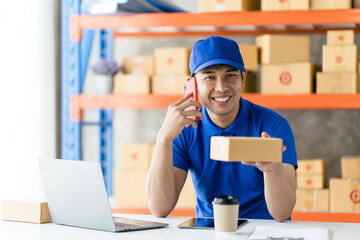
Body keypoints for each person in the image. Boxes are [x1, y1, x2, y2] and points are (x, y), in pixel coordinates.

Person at [145, 36, 297, 222]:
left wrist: (273, 170)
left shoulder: (272, 126)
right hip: (210, 231)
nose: (221, 87)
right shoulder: (185, 129)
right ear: (193, 84)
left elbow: (282, 214)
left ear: (243, 77)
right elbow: (159, 208)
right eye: (209, 77)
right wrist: (163, 138)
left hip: (264, 230)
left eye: (230, 75)